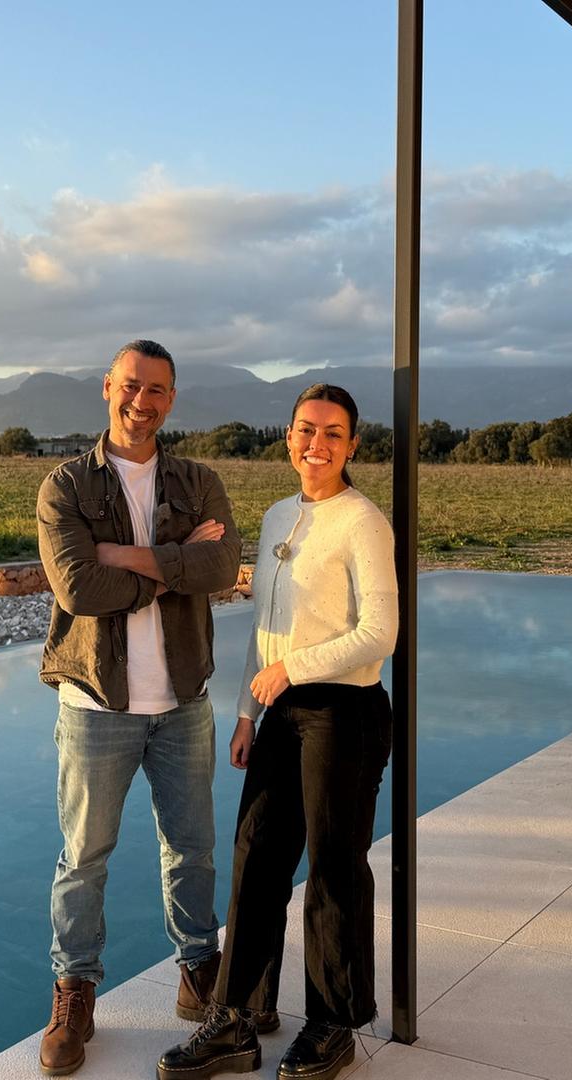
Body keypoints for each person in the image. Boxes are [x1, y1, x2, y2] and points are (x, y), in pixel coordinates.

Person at [158, 383, 396, 1080]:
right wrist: (245, 712)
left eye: (331, 433)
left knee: (332, 870)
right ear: (287, 437)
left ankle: (332, 1023)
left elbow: (381, 633)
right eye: (304, 430)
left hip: (343, 714)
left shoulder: (362, 522)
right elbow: (266, 627)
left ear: (353, 445)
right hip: (279, 709)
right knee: (255, 857)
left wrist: (291, 670)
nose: (315, 444)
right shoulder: (275, 517)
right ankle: (235, 1017)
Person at [34, 339, 254, 1076]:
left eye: (157, 389)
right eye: (132, 386)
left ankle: (198, 976)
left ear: (172, 398)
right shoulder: (64, 487)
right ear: (107, 388)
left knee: (190, 849)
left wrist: (122, 556)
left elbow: (221, 568)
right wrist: (172, 564)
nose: (143, 400)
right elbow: (77, 589)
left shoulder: (199, 480)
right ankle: (74, 995)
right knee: (84, 858)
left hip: (183, 701)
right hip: (95, 702)